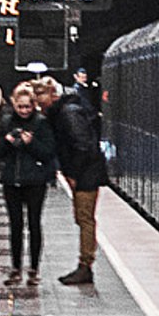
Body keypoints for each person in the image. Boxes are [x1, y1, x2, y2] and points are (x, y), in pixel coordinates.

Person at [0, 81, 58, 290]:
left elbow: (49, 152)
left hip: (34, 180)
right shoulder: (6, 122)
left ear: (33, 106)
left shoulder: (41, 123)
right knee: (15, 225)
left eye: (27, 107)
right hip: (11, 180)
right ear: (14, 105)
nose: (24, 111)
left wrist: (31, 143)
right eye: (20, 106)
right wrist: (6, 141)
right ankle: (15, 267)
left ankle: (33, 269)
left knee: (33, 223)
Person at [48, 69, 106, 288]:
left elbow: (82, 145)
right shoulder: (67, 110)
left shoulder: (68, 113)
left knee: (85, 218)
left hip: (85, 174)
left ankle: (85, 265)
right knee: (83, 218)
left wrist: (72, 173)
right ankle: (84, 264)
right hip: (85, 172)